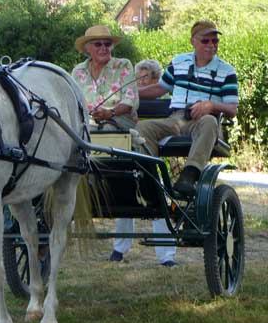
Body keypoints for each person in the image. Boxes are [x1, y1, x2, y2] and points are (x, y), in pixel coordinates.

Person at [136, 20, 239, 196]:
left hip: (206, 124)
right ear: (193, 41)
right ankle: (150, 179)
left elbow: (232, 108)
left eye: (215, 41)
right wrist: (129, 94)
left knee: (208, 121)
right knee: (142, 128)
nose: (211, 45)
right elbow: (159, 89)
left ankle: (189, 175)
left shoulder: (226, 71)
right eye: (205, 41)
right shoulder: (178, 62)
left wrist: (211, 105)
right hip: (176, 120)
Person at [106, 59, 178, 266]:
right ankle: (119, 249)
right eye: (136, 78)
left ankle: (166, 256)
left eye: (144, 77)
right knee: (124, 199)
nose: (139, 82)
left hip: (153, 159)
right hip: (129, 157)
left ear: (156, 79)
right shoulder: (126, 102)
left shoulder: (165, 104)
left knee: (160, 198)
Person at [71, 25, 138, 131]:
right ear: (87, 48)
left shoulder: (123, 65)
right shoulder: (78, 71)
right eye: (98, 44)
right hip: (87, 122)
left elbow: (130, 101)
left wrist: (110, 113)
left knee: (107, 128)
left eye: (107, 44)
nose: (103, 48)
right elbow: (72, 102)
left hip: (118, 120)